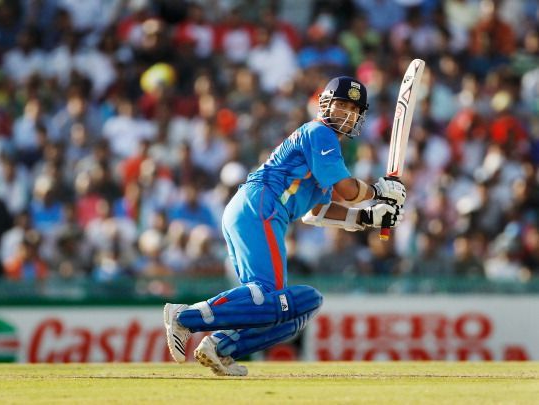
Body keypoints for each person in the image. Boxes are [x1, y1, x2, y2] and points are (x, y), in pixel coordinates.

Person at [163, 76, 406, 376]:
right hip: (260, 207)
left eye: (353, 109)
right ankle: (185, 317)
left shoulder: (325, 149)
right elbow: (346, 189)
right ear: (325, 105)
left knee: (297, 308)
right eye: (340, 104)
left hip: (256, 211)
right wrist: (378, 192)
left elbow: (316, 212)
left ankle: (219, 347)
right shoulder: (321, 133)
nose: (346, 113)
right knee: (267, 295)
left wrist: (368, 217)